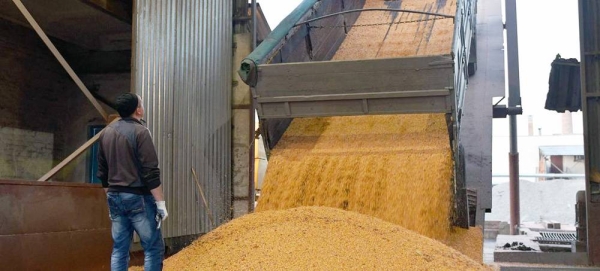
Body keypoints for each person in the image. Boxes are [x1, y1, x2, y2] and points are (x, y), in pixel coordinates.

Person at [98, 93, 168, 271]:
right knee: (153, 248)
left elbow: (102, 173)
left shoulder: (106, 133)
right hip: (138, 198)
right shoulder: (141, 132)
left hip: (114, 196)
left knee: (119, 249)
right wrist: (160, 203)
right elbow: (150, 171)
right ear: (138, 110)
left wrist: (110, 198)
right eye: (142, 104)